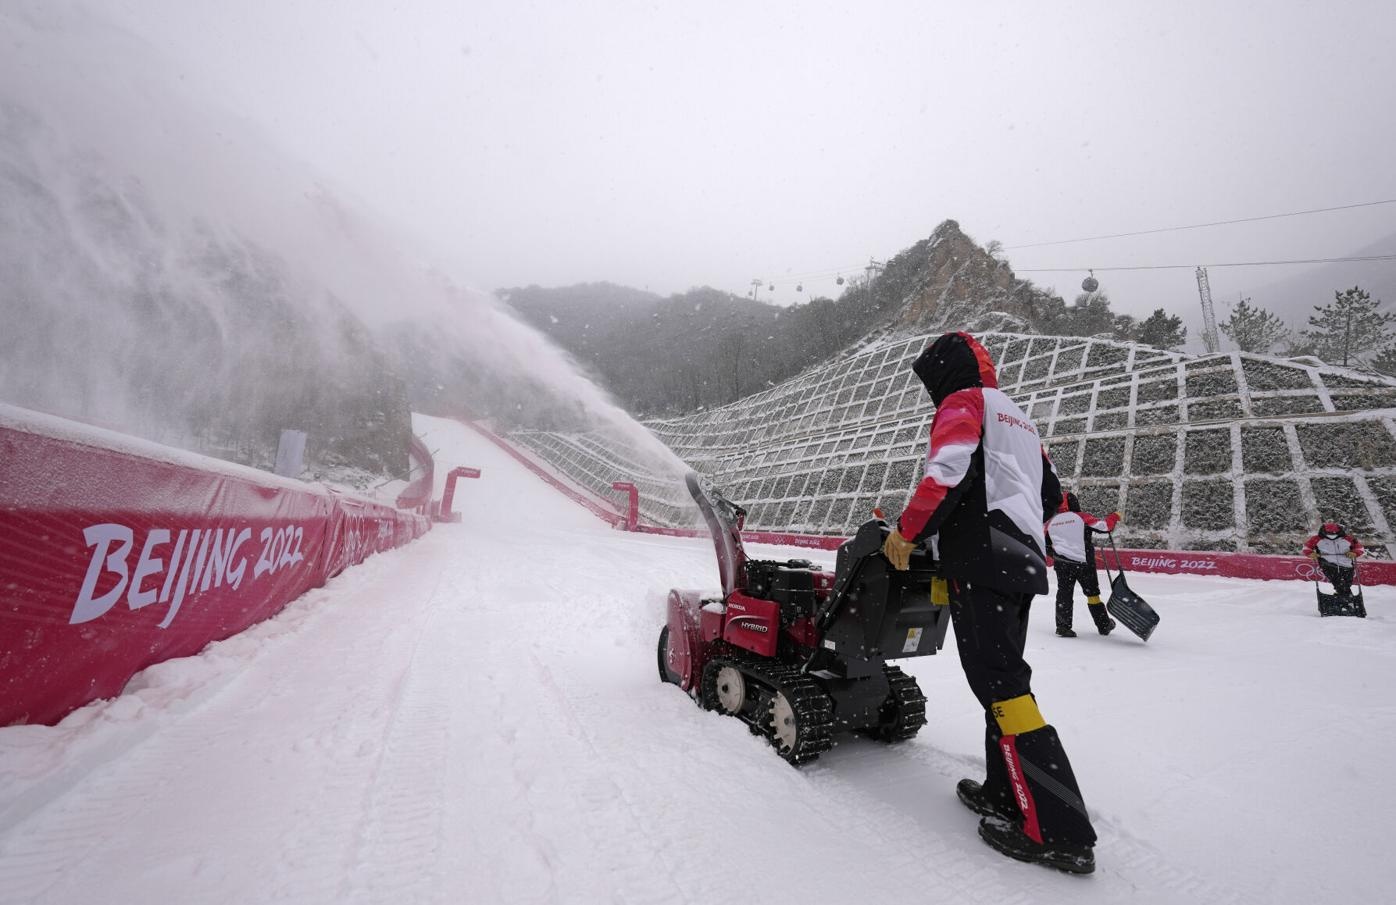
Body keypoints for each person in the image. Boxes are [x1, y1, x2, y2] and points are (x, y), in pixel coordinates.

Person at [881, 332, 1098, 874]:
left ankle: (1059, 830)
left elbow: (945, 473)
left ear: (945, 373)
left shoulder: (965, 403)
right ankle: (1004, 792)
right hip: (1022, 560)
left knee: (1002, 685)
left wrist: (907, 533)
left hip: (983, 557)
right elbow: (1054, 496)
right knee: (999, 679)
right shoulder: (1019, 418)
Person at [1046, 492, 1121, 637]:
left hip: (1062, 564)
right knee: (1092, 594)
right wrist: (1114, 516)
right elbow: (1105, 527)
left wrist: (1056, 555)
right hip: (1083, 563)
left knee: (1064, 593)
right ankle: (1104, 625)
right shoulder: (1081, 517)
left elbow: (1044, 542)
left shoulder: (1051, 521)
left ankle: (1063, 626)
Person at [1302, 521, 1364, 599]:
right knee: (1338, 582)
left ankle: (1340, 597)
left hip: (1347, 564)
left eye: (1334, 534)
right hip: (1328, 563)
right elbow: (1306, 547)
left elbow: (1360, 548)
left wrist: (1355, 553)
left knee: (1347, 584)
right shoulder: (1316, 539)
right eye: (1329, 534)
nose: (1332, 536)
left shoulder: (1348, 539)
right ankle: (1347, 600)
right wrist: (1310, 553)